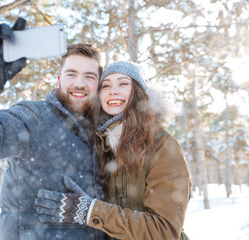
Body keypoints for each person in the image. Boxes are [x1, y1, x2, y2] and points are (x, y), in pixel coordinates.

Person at [0, 18, 106, 239]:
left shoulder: (108, 133)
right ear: (59, 80)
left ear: (98, 84)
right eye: (71, 74)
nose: (80, 83)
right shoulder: (33, 118)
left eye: (89, 76)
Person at [35, 61, 192, 239]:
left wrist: (91, 211)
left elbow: (164, 231)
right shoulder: (100, 144)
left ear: (139, 92)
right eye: (106, 85)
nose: (113, 90)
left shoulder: (161, 144)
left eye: (123, 83)